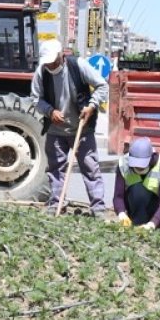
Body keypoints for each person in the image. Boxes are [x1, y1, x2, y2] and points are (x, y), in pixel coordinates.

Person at [30, 38, 109, 218]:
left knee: (90, 167)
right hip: (56, 131)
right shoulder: (41, 73)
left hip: (82, 128)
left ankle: (98, 208)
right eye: (47, 63)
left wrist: (92, 105)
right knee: (56, 169)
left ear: (61, 56)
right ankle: (57, 203)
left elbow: (102, 86)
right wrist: (50, 112)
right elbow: (36, 100)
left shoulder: (78, 65)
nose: (50, 66)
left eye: (53, 62)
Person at [112, 137, 160, 234]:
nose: (138, 168)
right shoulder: (123, 163)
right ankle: (140, 222)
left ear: (150, 158)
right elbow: (118, 197)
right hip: (138, 206)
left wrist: (152, 224)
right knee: (138, 189)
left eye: (141, 165)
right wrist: (121, 214)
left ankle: (155, 223)